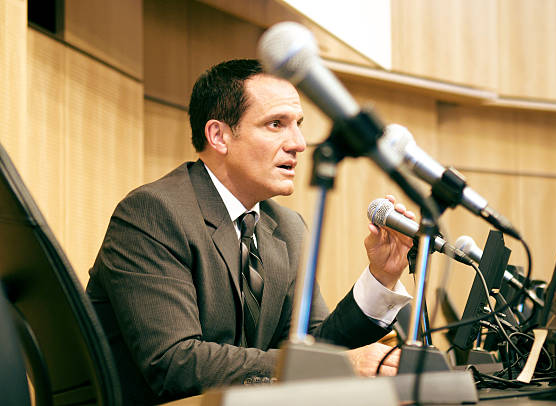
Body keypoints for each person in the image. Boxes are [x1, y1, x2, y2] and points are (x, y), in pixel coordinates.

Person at [86, 59, 415, 405]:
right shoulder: (153, 213)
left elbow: (315, 348)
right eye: (276, 124)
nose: (298, 143)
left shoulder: (288, 228)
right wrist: (339, 366)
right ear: (219, 136)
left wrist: (381, 277)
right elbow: (174, 363)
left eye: (298, 125)